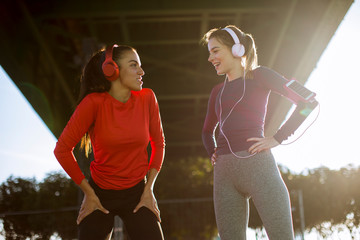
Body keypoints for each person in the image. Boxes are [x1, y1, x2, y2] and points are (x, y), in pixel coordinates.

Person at [201, 25, 318, 240]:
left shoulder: (260, 75)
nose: (210, 58)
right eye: (209, 52)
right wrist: (213, 153)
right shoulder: (217, 92)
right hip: (224, 175)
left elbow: (308, 101)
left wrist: (277, 138)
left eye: (215, 50)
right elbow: (207, 131)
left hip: (259, 169)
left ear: (236, 50)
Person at [54, 44, 165, 240]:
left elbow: (159, 143)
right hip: (100, 194)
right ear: (112, 70)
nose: (142, 71)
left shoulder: (148, 98)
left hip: (138, 192)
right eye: (133, 65)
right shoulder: (93, 104)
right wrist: (89, 194)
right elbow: (62, 149)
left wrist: (149, 190)